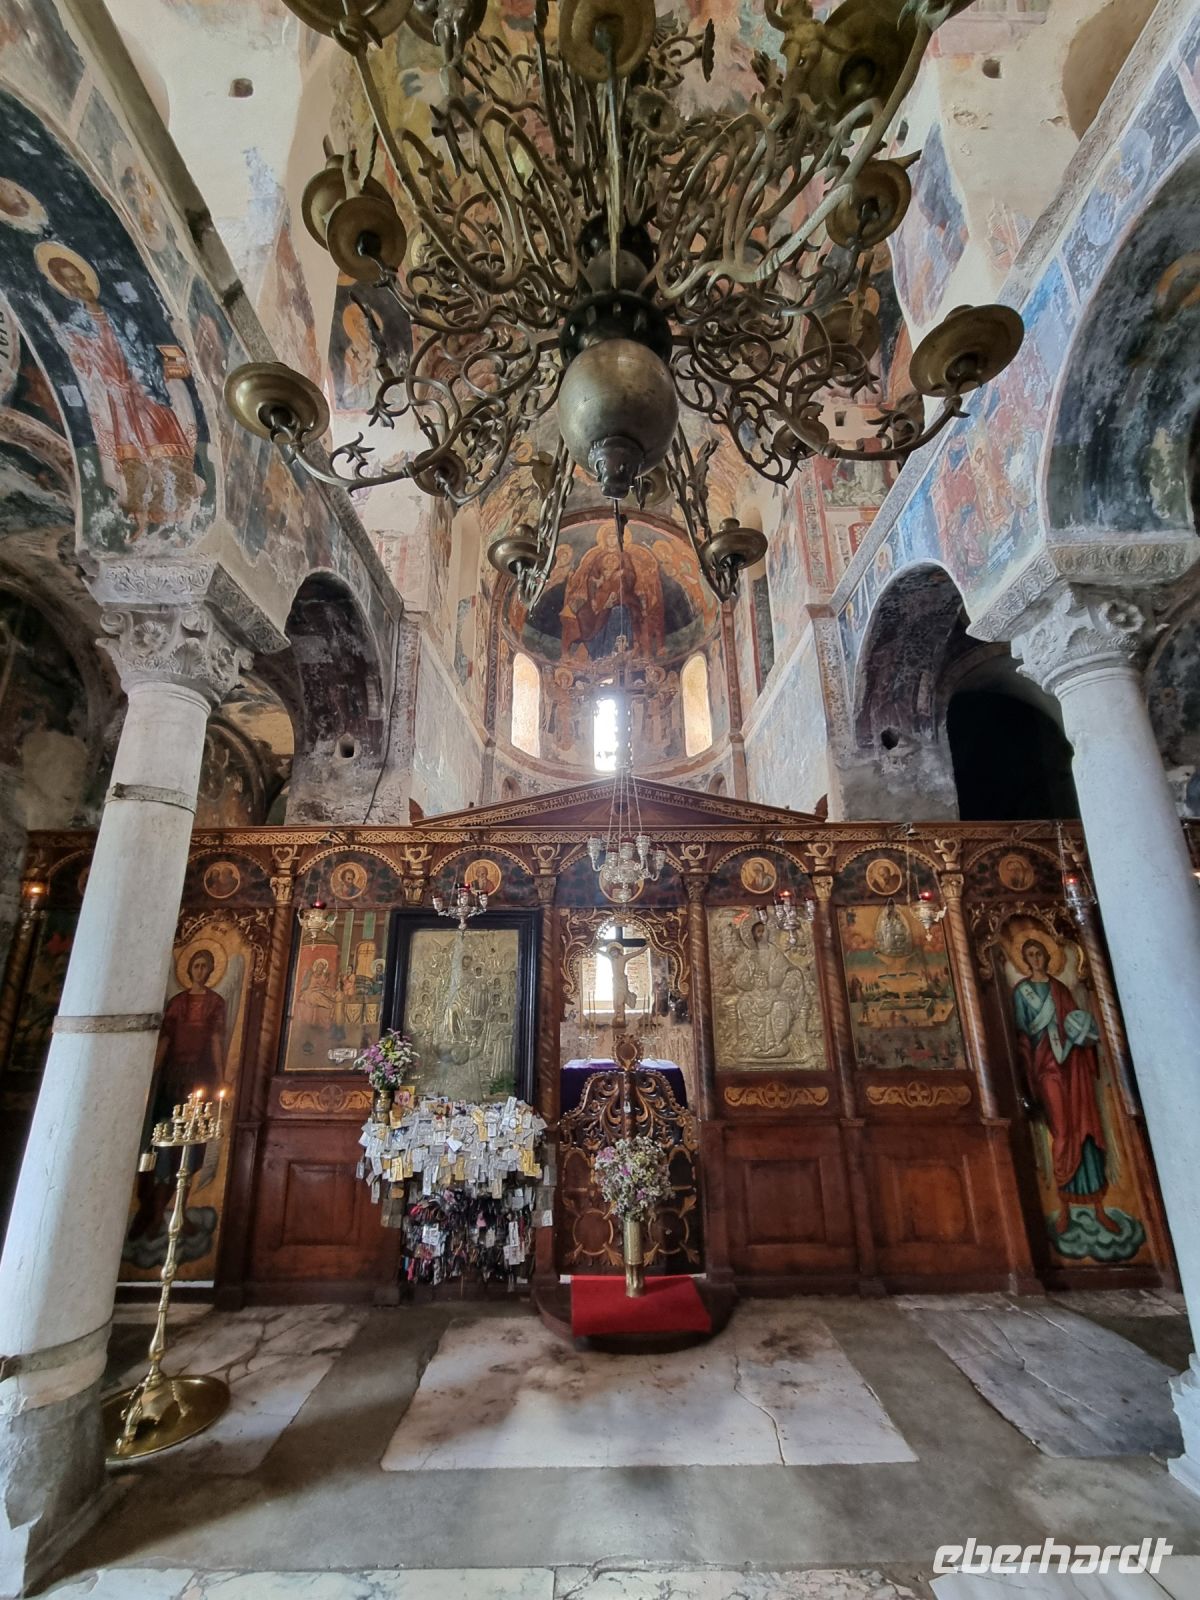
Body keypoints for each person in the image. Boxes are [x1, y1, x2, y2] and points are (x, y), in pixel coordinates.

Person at [1012, 938, 1118, 1237]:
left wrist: (1082, 1038)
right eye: (1030, 955)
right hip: (1045, 1068)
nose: (1036, 959)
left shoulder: (1060, 989)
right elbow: (1021, 1035)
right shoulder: (1022, 992)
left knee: (1085, 1127)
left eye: (1039, 954)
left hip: (1072, 1065)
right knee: (1061, 1132)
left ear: (1047, 956)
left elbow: (1078, 1023)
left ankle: (1098, 1207)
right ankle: (1064, 1208)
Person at [129, 949, 227, 1240]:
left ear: (210, 971)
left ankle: (179, 1212)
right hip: (171, 1080)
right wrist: (150, 1077)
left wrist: (223, 1080)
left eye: (204, 966)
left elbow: (216, 1041)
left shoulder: (215, 1003)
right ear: (189, 969)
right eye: (195, 965)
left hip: (200, 1077)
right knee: (163, 1146)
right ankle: (155, 1213)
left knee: (193, 1148)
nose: (199, 970)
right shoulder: (177, 1003)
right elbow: (166, 1039)